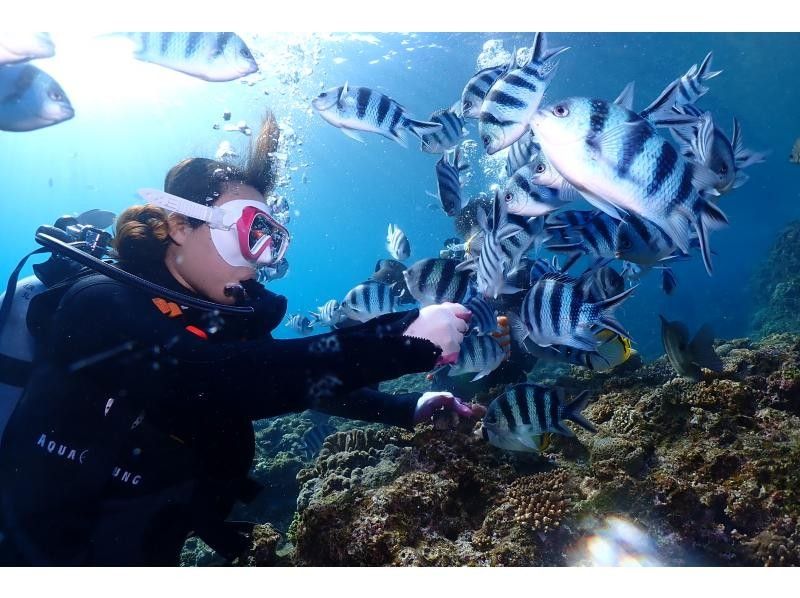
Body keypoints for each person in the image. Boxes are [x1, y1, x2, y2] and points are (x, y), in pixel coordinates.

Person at [0, 111, 482, 566]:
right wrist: (397, 338)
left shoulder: (217, 318)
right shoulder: (99, 303)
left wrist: (404, 408)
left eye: (272, 239)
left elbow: (289, 377)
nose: (258, 261)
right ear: (179, 225)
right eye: (250, 233)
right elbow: (216, 381)